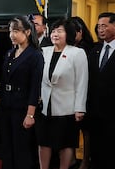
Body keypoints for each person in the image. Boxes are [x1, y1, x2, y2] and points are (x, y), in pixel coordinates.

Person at [0, 16, 44, 169]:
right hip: (6, 105)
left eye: (16, 31)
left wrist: (30, 114)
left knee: (22, 149)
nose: (12, 35)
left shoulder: (35, 55)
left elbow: (35, 87)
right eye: (10, 31)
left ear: (27, 32)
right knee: (6, 147)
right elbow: (4, 82)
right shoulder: (9, 53)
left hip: (23, 108)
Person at [36, 19, 88, 169]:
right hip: (45, 107)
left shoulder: (77, 53)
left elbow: (82, 82)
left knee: (66, 144)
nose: (55, 34)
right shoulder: (44, 52)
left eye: (60, 31)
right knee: (43, 142)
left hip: (67, 108)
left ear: (69, 34)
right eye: (53, 31)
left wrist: (80, 108)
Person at [87, 12, 115, 169]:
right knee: (96, 152)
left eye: (104, 25)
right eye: (98, 26)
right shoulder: (94, 51)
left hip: (113, 114)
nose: (100, 29)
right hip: (95, 113)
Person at [69, 16, 94, 169]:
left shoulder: (89, 49)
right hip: (68, 95)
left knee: (86, 131)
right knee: (70, 130)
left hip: (85, 94)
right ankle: (71, 159)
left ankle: (85, 160)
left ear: (80, 32)